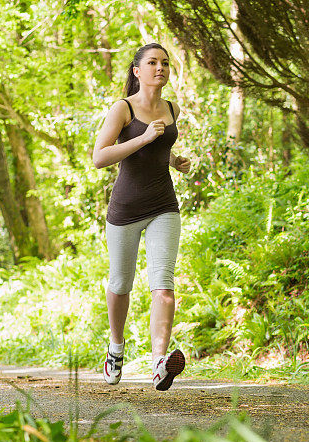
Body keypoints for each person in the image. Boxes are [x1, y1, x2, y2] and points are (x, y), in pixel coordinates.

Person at [92, 43, 191, 390]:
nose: (160, 68)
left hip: (164, 205)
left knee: (163, 286)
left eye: (164, 63)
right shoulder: (123, 109)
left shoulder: (172, 109)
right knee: (121, 284)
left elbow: (157, 152)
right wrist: (145, 137)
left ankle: (159, 363)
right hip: (126, 210)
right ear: (137, 71)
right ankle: (116, 350)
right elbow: (100, 157)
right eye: (152, 62)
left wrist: (173, 161)